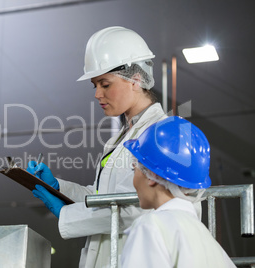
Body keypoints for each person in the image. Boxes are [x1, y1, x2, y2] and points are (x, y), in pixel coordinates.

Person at [28, 26, 170, 267]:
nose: (97, 94)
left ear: (135, 80)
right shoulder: (120, 139)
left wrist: (67, 214)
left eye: (104, 84)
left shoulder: (159, 134)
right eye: (95, 85)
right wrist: (58, 188)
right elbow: (103, 198)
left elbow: (137, 207)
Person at [120, 116, 236, 267]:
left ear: (152, 176)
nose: (133, 180)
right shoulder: (207, 240)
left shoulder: (151, 227)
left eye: (133, 169)